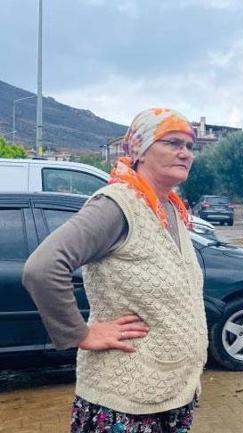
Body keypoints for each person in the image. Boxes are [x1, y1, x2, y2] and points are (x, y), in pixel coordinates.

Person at [23, 108, 206, 432]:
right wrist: (80, 334)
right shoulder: (116, 206)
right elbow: (43, 268)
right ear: (140, 150)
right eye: (173, 143)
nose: (185, 153)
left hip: (172, 395)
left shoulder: (169, 208)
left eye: (190, 146)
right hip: (126, 404)